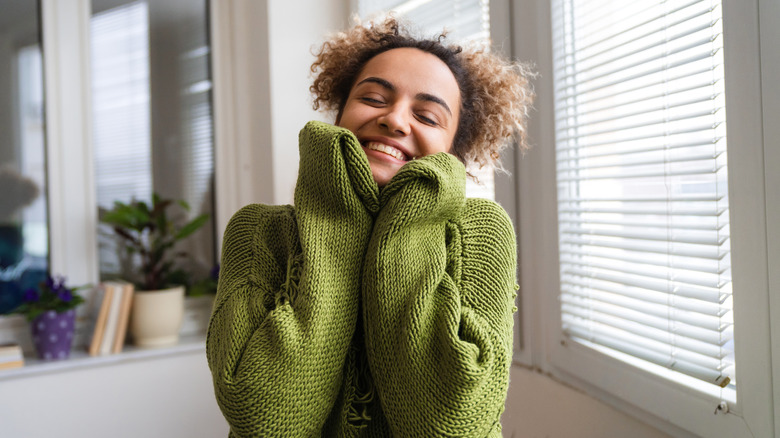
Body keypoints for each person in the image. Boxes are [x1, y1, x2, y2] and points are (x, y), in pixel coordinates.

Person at [206, 16, 533, 437]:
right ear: (340, 113)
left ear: (455, 149)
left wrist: (410, 219)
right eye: (375, 98)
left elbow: (450, 423)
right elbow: (263, 416)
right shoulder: (256, 231)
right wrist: (337, 216)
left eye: (428, 117)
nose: (395, 120)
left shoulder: (483, 231)